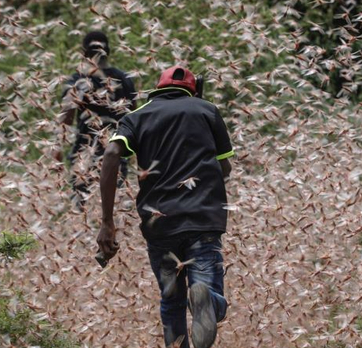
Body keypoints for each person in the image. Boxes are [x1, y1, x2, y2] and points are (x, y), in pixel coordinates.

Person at [97, 65, 234, 348]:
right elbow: (225, 167)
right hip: (202, 220)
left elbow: (111, 153)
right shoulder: (207, 110)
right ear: (192, 90)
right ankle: (208, 301)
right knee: (208, 293)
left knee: (171, 303)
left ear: (158, 89)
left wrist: (107, 222)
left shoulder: (136, 117)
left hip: (160, 226)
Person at [58, 31, 136, 206]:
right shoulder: (124, 79)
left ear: (84, 53)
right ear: (108, 51)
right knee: (114, 206)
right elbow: (134, 118)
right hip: (117, 152)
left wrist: (57, 150)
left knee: (83, 209)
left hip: (84, 155)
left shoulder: (77, 80)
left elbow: (66, 120)